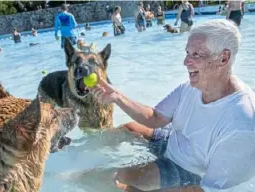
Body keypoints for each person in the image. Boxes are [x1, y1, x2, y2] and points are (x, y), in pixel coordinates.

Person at [91, 19, 255, 191]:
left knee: (113, 178)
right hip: (174, 141)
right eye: (187, 53)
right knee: (128, 128)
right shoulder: (192, 87)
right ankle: (82, 154)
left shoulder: (242, 123)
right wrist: (117, 97)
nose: (185, 62)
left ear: (223, 58)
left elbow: (209, 190)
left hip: (190, 171)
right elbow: (155, 117)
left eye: (196, 55)